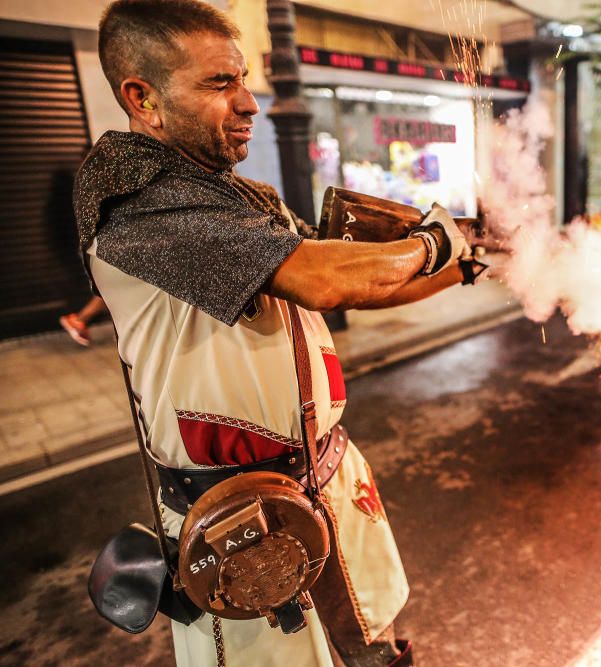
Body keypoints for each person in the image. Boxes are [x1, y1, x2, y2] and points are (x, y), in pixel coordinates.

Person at [76, 1, 485, 665]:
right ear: (141, 98)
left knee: (368, 648)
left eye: (243, 79)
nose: (248, 104)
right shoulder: (139, 206)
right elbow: (320, 277)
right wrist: (436, 241)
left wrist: (468, 261)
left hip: (318, 490)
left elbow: (357, 287)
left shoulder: (236, 201)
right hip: (245, 523)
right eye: (218, 84)